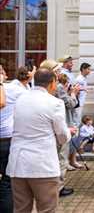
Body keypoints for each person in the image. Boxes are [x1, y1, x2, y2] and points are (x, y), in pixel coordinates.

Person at [6, 68, 72, 213]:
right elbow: (62, 136)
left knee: (21, 209)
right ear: (52, 83)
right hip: (42, 165)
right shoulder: (55, 103)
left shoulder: (20, 99)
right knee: (47, 209)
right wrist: (69, 132)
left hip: (18, 164)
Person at [40, 59, 76, 197]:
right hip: (60, 126)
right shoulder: (57, 87)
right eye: (58, 70)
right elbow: (69, 104)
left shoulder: (52, 87)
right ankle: (59, 187)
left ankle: (52, 186)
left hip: (50, 127)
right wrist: (72, 93)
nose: (60, 71)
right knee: (61, 158)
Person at [0, 67, 32, 213]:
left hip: (6, 138)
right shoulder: (11, 89)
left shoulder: (8, 87)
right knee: (7, 181)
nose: (6, 75)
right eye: (2, 72)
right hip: (6, 139)